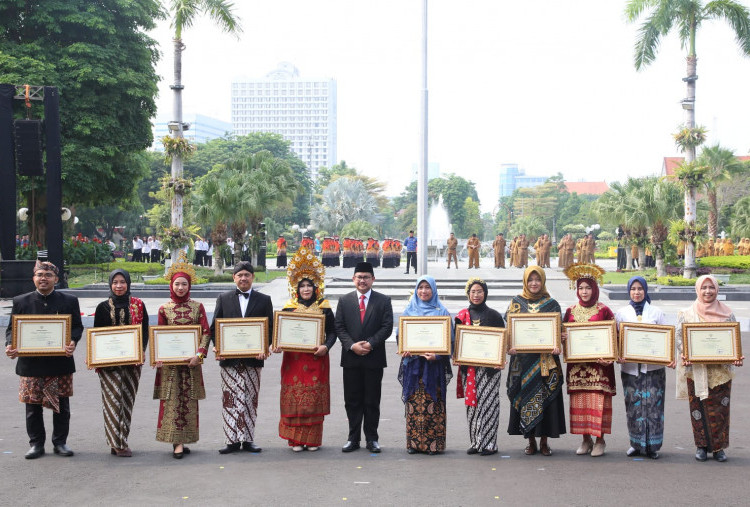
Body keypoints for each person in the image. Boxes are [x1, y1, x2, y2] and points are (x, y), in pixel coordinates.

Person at [5, 261, 83, 459]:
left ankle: (60, 443)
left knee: (61, 407)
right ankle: (36, 444)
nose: (43, 278)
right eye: (39, 274)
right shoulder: (21, 301)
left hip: (60, 363)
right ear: (33, 278)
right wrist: (10, 345)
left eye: (48, 274)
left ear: (56, 279)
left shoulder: (69, 300)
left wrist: (73, 341)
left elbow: (77, 327)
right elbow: (11, 329)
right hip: (31, 364)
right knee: (32, 407)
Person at [675, 275, 744, 462]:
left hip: (720, 372)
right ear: (698, 289)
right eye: (704, 287)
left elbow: (733, 341)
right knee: (697, 408)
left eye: (711, 287)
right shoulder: (687, 313)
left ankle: (719, 448)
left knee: (720, 410)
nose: (707, 291)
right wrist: (685, 355)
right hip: (696, 370)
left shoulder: (727, 314)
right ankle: (701, 446)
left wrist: (736, 358)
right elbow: (680, 338)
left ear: (717, 290)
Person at [276, 248, 336, 451]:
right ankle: (295, 439)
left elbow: (333, 332)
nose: (306, 289)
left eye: (309, 285)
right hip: (294, 359)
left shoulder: (324, 306)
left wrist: (326, 347)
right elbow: (279, 334)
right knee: (295, 398)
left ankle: (312, 440)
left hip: (316, 358)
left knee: (313, 399)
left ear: (316, 287)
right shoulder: (288, 308)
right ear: (296, 288)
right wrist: (276, 344)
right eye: (302, 286)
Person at [210, 261, 274, 454]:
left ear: (252, 277)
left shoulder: (264, 300)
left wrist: (265, 347)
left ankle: (247, 440)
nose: (243, 278)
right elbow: (215, 327)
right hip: (229, 360)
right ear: (234, 278)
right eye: (240, 275)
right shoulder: (224, 298)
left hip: (254, 358)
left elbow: (269, 327)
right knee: (229, 399)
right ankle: (230, 441)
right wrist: (218, 347)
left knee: (250, 399)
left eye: (247, 275)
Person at [154, 254, 211, 459]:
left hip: (191, 364)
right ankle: (176, 443)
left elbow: (206, 332)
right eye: (177, 283)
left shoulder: (198, 307)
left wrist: (199, 355)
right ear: (171, 284)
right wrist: (158, 356)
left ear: (189, 286)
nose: (180, 288)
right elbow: (159, 335)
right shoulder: (164, 309)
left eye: (184, 284)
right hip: (171, 367)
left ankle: (184, 439)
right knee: (172, 401)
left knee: (188, 401)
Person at [506, 266, 566, 456]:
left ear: (543, 281)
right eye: (530, 280)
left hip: (545, 362)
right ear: (525, 281)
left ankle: (545, 441)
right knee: (525, 398)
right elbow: (508, 331)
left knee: (545, 400)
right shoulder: (515, 303)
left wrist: (557, 344)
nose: (534, 283)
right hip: (522, 362)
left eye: (537, 279)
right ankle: (530, 441)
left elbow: (559, 329)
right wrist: (510, 345)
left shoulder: (552, 304)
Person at [335, 262, 394, 453]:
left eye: (366, 277)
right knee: (352, 400)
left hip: (373, 357)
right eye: (359, 277)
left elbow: (387, 326)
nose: (362, 280)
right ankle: (353, 439)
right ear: (353, 279)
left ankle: (372, 439)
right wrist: (352, 345)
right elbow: (339, 327)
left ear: (373, 279)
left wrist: (370, 343)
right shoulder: (344, 301)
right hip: (351, 358)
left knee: (371, 400)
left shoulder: (383, 300)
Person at [92, 269, 149, 457]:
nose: (119, 286)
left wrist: (141, 350)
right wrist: (94, 356)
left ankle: (120, 438)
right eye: (115, 282)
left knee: (127, 402)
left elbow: (145, 332)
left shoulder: (138, 305)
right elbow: (96, 336)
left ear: (128, 283)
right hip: (109, 364)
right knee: (112, 401)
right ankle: (118, 443)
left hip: (132, 363)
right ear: (110, 284)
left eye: (122, 282)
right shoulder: (102, 307)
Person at [562, 263, 615, 457]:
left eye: (588, 288)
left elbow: (613, 338)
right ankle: (585, 439)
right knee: (580, 403)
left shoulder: (604, 311)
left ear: (595, 289)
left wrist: (609, 356)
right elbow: (562, 334)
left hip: (598, 368)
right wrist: (563, 338)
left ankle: (600, 440)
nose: (584, 292)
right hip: (577, 368)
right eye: (581, 288)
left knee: (597, 403)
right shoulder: (570, 311)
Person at [615, 276, 671, 459]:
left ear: (645, 291)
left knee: (654, 407)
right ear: (629, 291)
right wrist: (618, 355)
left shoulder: (656, 312)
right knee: (634, 406)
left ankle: (653, 447)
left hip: (654, 370)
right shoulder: (622, 313)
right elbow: (615, 339)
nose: (637, 292)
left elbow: (667, 339)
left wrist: (669, 358)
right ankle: (636, 444)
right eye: (633, 289)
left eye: (640, 289)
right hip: (630, 370)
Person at [397, 276, 453, 454]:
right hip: (414, 366)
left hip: (433, 368)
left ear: (434, 290)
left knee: (433, 404)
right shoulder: (409, 311)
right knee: (414, 405)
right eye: (420, 287)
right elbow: (401, 338)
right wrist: (404, 350)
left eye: (427, 287)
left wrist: (436, 355)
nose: (423, 291)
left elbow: (450, 342)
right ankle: (414, 444)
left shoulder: (441, 312)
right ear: (416, 290)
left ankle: (433, 445)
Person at [455, 278, 505, 455]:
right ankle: (476, 442)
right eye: (473, 291)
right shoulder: (462, 316)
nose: (476, 295)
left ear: (485, 293)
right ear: (468, 294)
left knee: (489, 404)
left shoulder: (494, 315)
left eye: (480, 291)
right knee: (472, 406)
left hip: (489, 370)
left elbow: (502, 341)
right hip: (469, 368)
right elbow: (457, 342)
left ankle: (490, 443)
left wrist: (500, 360)